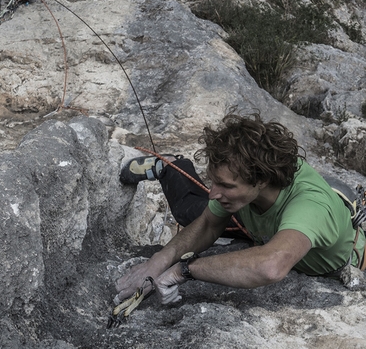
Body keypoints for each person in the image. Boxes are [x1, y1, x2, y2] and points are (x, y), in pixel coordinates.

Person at [115, 111, 366, 305]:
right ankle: (172, 168)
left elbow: (270, 265)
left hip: (323, 254)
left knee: (192, 210)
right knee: (190, 212)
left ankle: (172, 167)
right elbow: (208, 223)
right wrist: (156, 264)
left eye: (226, 185)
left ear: (262, 180)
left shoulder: (310, 206)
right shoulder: (250, 187)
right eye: (214, 181)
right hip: (264, 230)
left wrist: (184, 271)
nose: (213, 192)